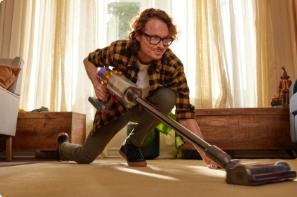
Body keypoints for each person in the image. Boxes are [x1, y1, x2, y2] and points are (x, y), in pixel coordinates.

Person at [57, 8, 219, 169]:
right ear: (138, 35)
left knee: (167, 96)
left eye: (165, 39)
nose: (161, 45)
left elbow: (185, 115)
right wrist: (97, 84)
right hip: (116, 109)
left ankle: (132, 144)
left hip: (145, 109)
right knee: (85, 156)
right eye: (154, 38)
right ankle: (62, 146)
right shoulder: (120, 50)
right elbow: (89, 60)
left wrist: (207, 155)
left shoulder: (172, 65)